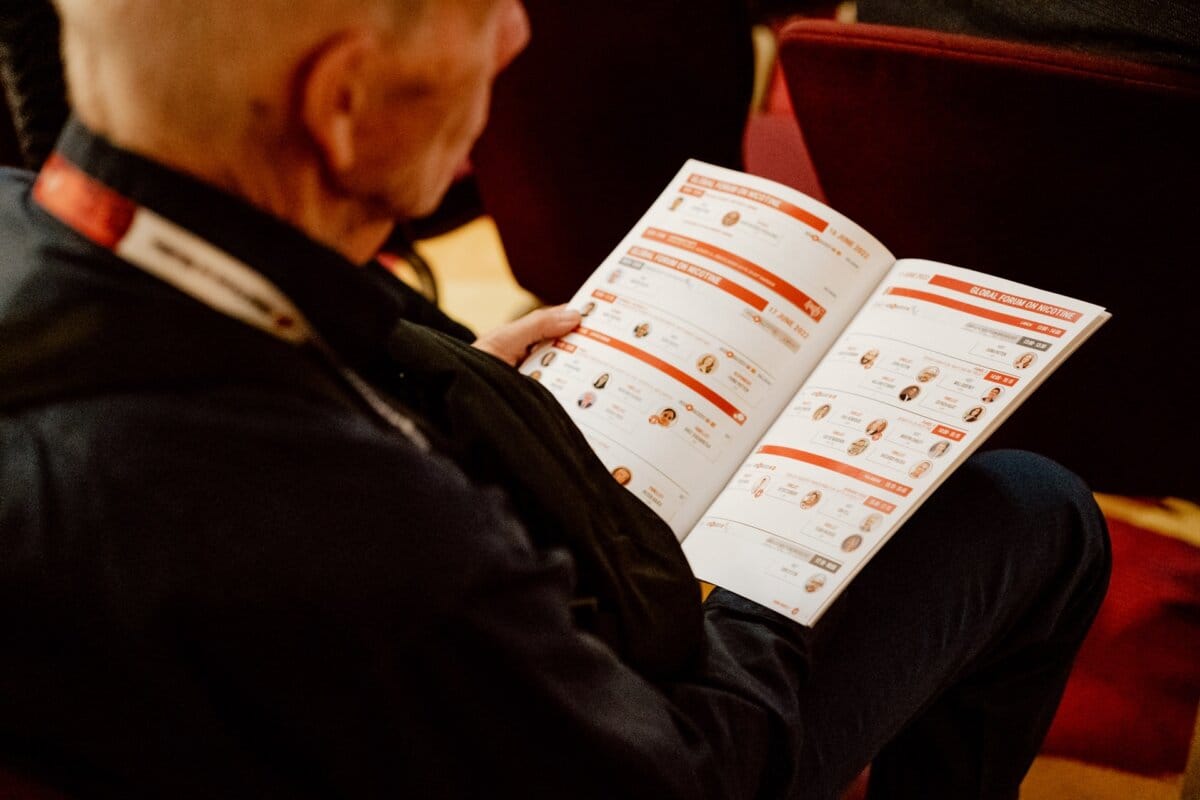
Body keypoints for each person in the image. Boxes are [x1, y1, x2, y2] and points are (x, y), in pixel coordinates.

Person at [0, 2, 1112, 798]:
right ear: (341, 101)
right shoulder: (378, 541)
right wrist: (793, 555)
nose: (521, 33)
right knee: (1033, 510)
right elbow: (688, 771)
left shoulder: (25, 216)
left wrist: (454, 375)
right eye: (480, 10)